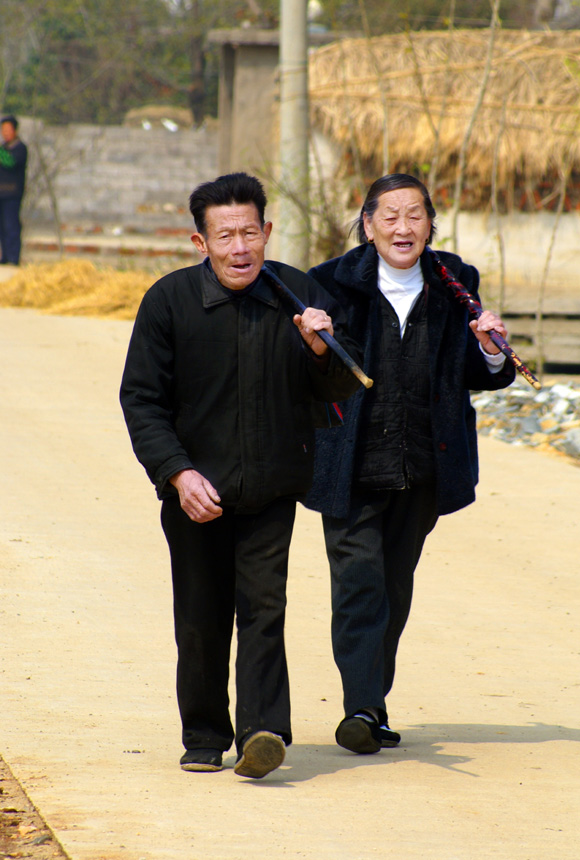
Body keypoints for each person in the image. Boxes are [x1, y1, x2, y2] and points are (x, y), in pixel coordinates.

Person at [119, 172, 361, 778]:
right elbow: (141, 399)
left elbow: (338, 392)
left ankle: (262, 731)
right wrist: (177, 473)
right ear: (200, 243)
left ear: (267, 232)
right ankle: (204, 731)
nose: (239, 248)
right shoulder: (169, 301)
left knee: (263, 608)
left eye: (250, 232)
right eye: (224, 235)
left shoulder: (298, 296)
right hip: (195, 492)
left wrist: (319, 348)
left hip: (273, 486)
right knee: (201, 616)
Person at [305, 173, 516, 755]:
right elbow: (312, 373)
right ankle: (361, 708)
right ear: (367, 224)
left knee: (393, 588)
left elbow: (475, 375)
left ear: (430, 224)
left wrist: (491, 349)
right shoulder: (330, 285)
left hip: (424, 465)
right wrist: (312, 345)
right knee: (358, 583)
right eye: (390, 216)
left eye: (415, 215)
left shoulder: (455, 283)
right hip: (350, 465)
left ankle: (372, 703)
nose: (403, 227)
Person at [0, 115, 28, 265]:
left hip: (12, 194)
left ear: (15, 130)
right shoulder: (3, 148)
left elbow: (10, 162)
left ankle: (14, 257)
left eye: (7, 130)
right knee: (2, 227)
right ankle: (4, 256)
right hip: (1, 194)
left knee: (11, 225)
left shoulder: (20, 148)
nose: (4, 133)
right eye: (3, 130)